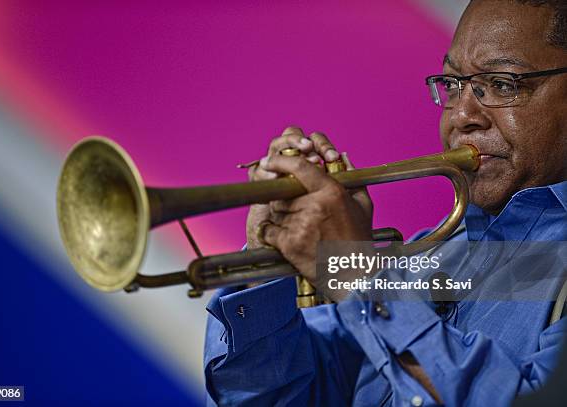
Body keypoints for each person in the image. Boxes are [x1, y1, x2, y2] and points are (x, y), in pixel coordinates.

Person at [204, 0, 567, 405]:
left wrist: (360, 278)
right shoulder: (429, 250)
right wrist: (265, 261)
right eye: (451, 84)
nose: (461, 115)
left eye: (501, 84)